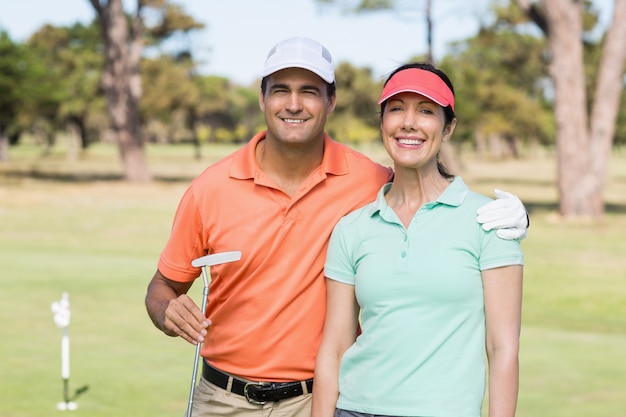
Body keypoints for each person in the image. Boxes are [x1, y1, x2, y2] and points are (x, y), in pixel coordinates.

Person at [145, 37, 528, 417]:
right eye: (281, 90)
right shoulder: (211, 187)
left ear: (331, 101)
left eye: (309, 91)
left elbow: (428, 185)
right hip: (223, 399)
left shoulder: (369, 180)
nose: (293, 104)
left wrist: (518, 216)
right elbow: (162, 286)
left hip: (318, 398)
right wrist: (166, 310)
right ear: (262, 99)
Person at [312, 62, 524, 417]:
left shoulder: (488, 222)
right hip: (355, 409)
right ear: (382, 123)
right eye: (396, 109)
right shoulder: (352, 228)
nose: (409, 122)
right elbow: (334, 348)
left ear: (449, 126)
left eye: (426, 111)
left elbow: (502, 348)